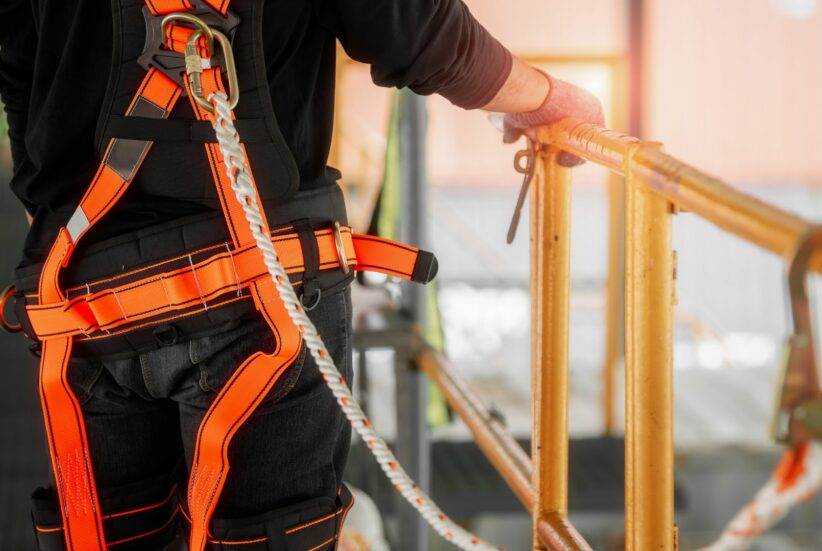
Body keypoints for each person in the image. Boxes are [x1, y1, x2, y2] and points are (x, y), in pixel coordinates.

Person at [0, 0, 603, 549]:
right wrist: (544, 98)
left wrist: (51, 208)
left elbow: (17, 56)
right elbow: (409, 27)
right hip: (261, 304)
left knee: (115, 531)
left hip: (88, 298)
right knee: (271, 535)